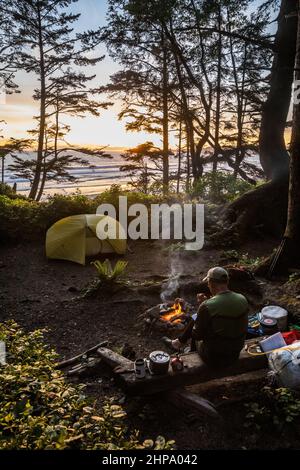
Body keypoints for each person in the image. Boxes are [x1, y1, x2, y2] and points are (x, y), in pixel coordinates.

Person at [164, 267, 249, 368]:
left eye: (208, 283)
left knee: (196, 320)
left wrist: (202, 306)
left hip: (214, 358)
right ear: (227, 282)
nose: (208, 285)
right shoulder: (242, 298)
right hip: (235, 354)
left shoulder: (207, 306)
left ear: (211, 283)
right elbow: (224, 312)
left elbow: (197, 335)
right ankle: (178, 343)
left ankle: (189, 351)